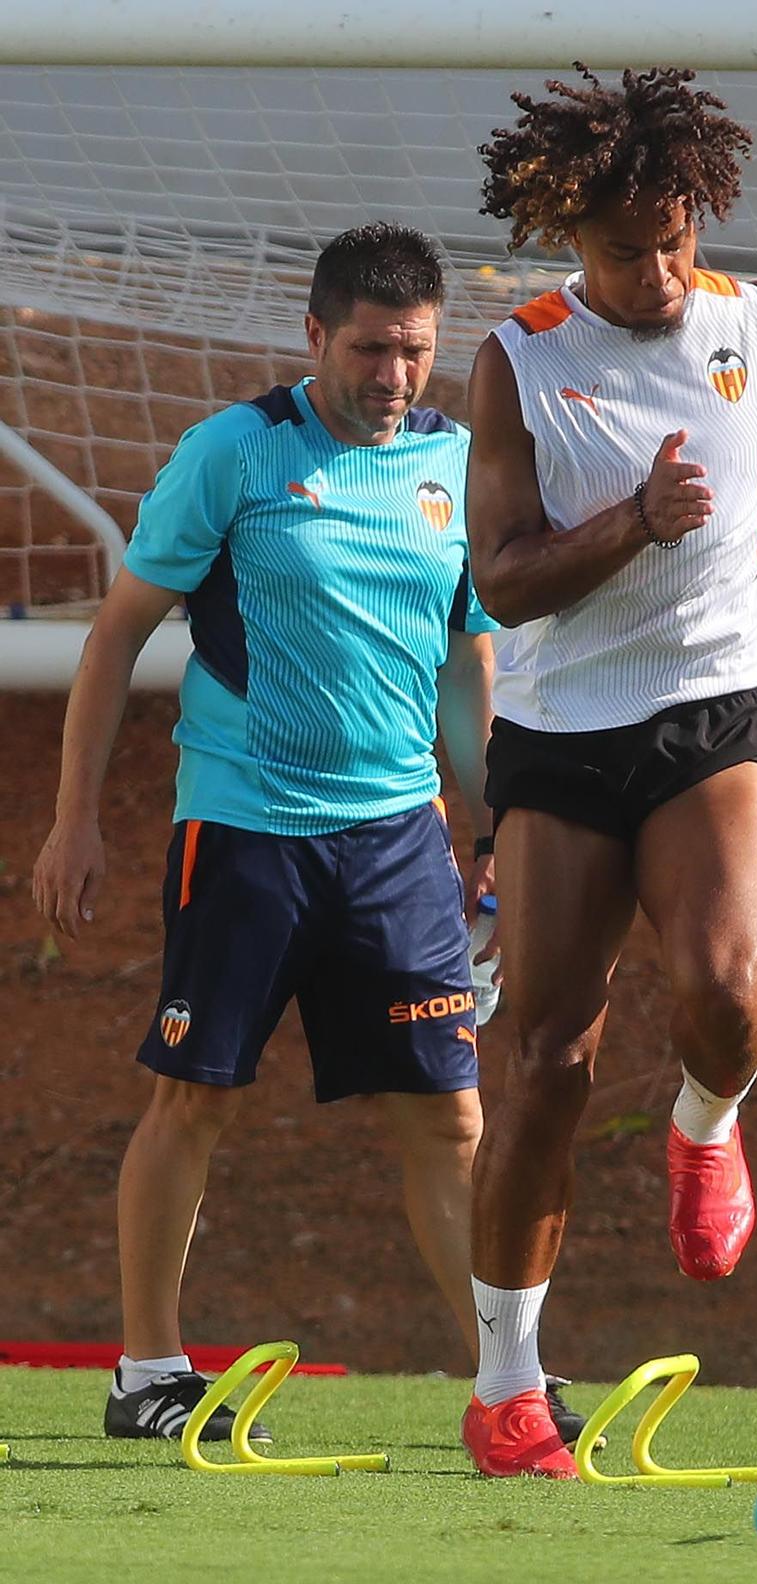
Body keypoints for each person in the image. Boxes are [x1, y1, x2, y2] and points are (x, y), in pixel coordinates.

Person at [31, 222, 583, 1447]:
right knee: (194, 1100)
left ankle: (510, 1386)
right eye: (372, 350)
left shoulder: (453, 462)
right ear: (314, 338)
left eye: (416, 353)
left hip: (397, 845)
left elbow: (463, 651)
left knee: (451, 1117)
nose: (394, 377)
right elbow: (118, 633)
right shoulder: (233, 454)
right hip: (240, 833)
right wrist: (75, 819)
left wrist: (485, 821)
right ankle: (150, 1374)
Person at [462, 65, 757, 1477]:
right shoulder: (517, 359)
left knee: (726, 995)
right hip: (559, 736)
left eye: (678, 238)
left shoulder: (756, 318)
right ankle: (507, 1386)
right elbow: (504, 578)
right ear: (568, 243)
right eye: (625, 251)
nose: (661, 272)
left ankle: (707, 1125)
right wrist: (635, 524)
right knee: (545, 1063)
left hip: (712, 713)